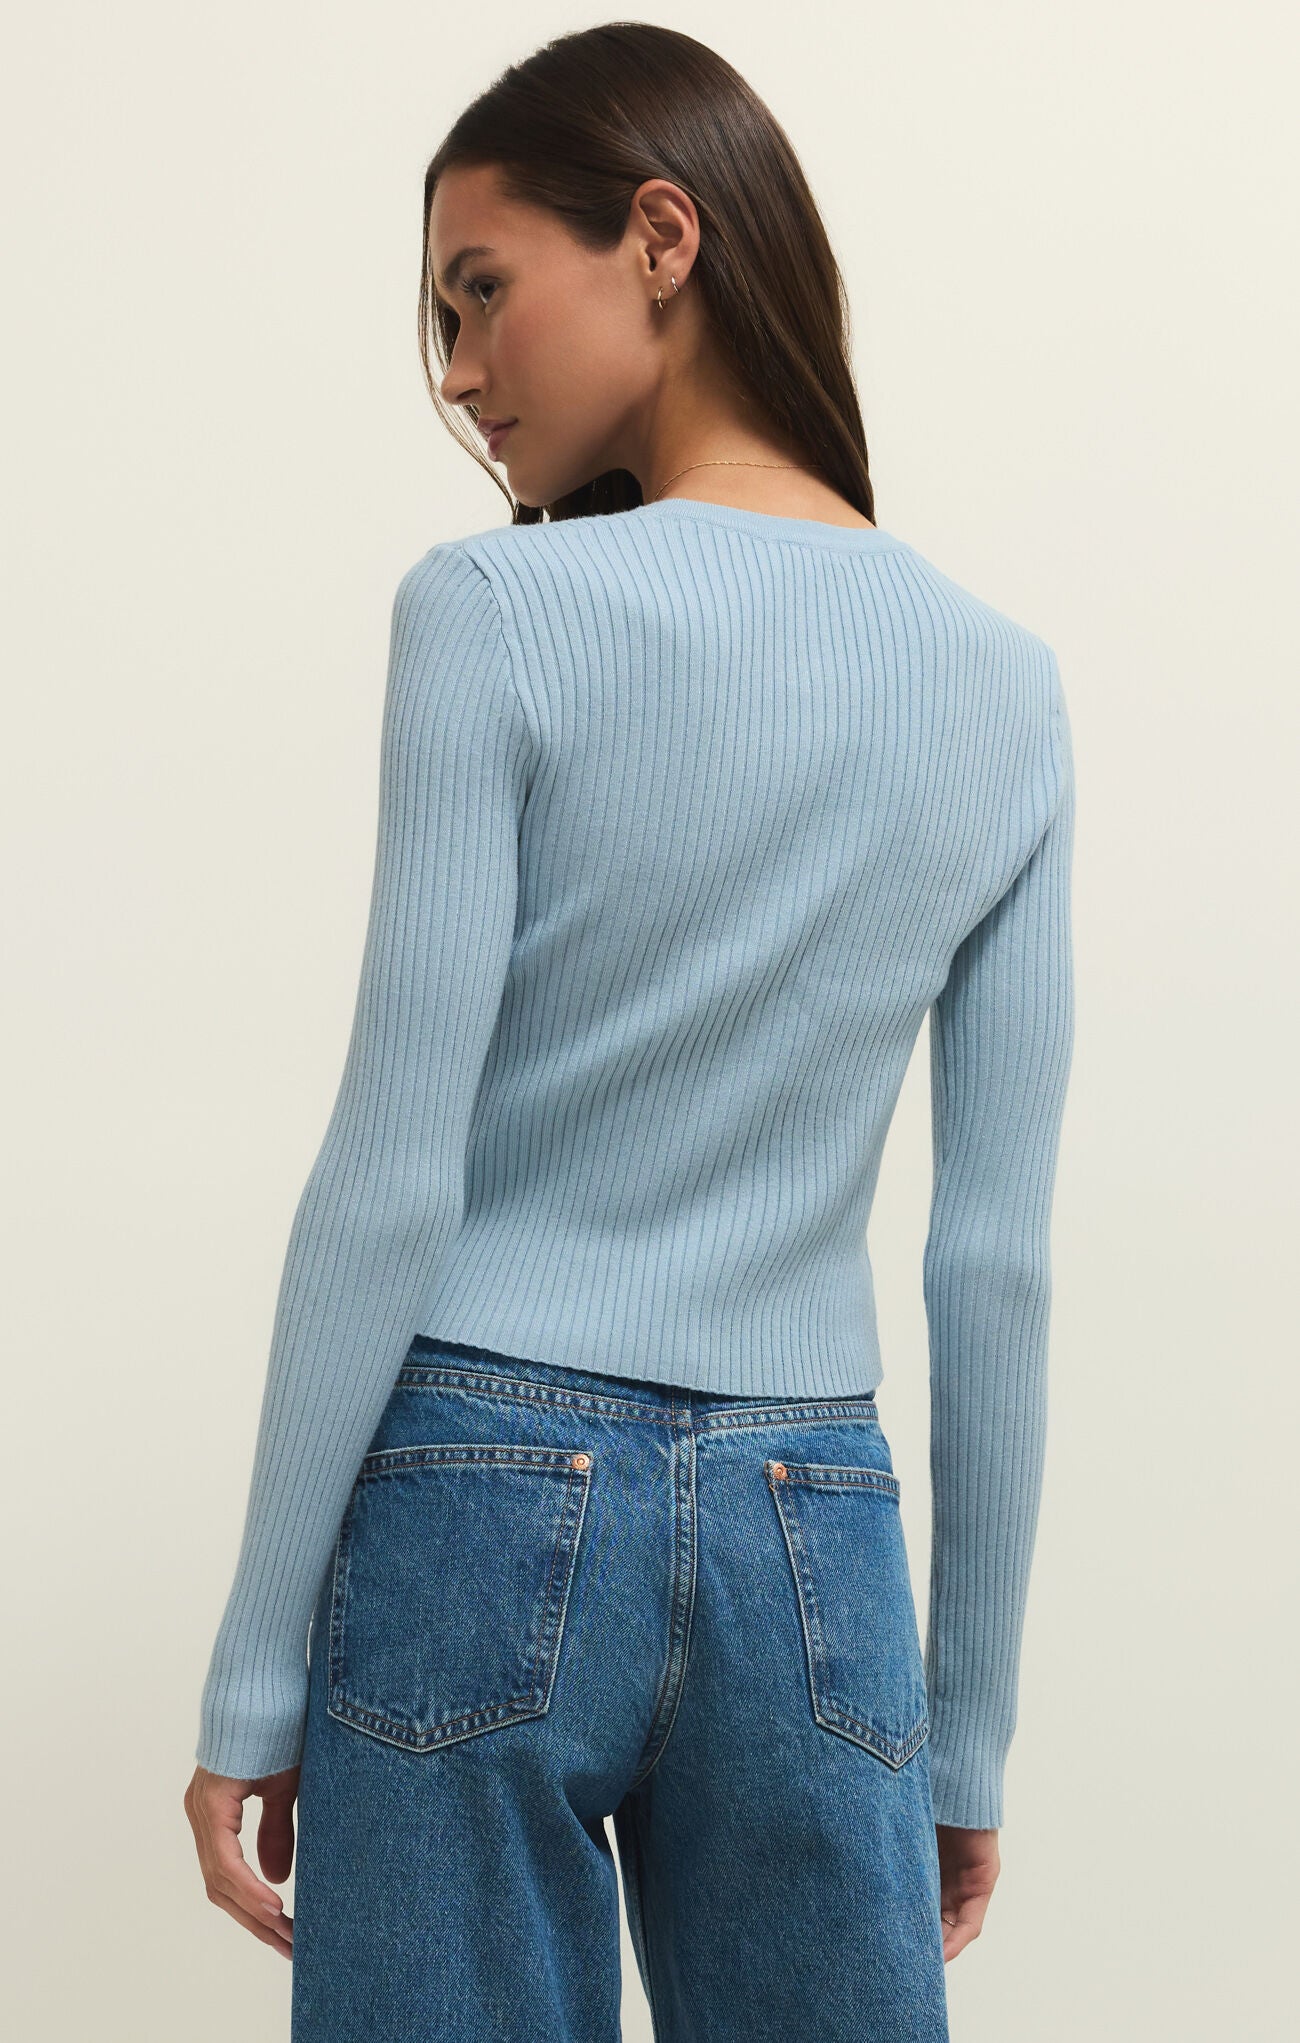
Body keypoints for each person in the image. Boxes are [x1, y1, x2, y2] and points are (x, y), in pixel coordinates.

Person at [184, 23, 1076, 2042]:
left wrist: (253, 1671)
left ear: (661, 237)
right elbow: (992, 1260)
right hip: (815, 1532)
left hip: (471, 1496)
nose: (457, 370)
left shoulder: (492, 614)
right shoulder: (1004, 687)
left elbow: (391, 1172)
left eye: (479, 290)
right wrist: (966, 1733)